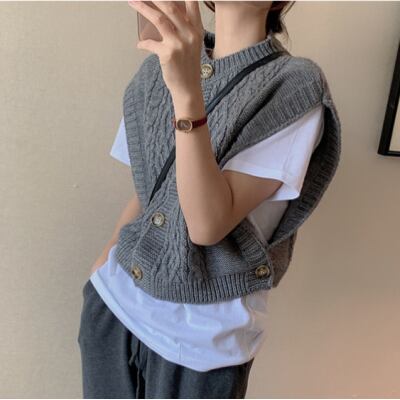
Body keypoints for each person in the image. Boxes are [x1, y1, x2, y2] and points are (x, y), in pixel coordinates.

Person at [77, 1, 341, 398]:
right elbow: (151, 195)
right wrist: (104, 262)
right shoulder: (160, 67)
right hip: (114, 308)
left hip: (200, 343)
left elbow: (206, 225)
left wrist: (187, 94)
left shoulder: (294, 85)